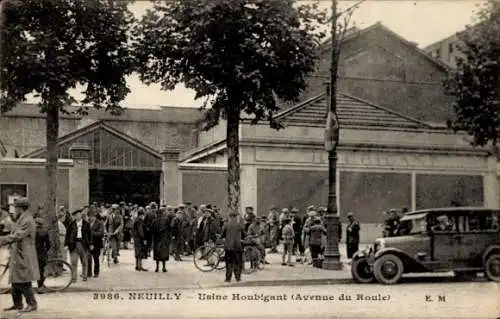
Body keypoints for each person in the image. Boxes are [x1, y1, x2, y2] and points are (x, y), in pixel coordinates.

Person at [0, 198, 39, 313]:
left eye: (15, 207)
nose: (14, 209)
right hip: (18, 253)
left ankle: (32, 304)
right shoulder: (21, 218)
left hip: (24, 254)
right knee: (15, 280)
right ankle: (18, 304)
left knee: (23, 280)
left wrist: (1, 240)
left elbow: (17, 236)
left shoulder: (27, 220)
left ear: (20, 208)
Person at [66, 208, 91, 282]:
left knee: (84, 261)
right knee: (73, 261)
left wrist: (91, 244)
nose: (77, 216)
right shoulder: (71, 224)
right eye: (76, 215)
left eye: (78, 215)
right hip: (73, 244)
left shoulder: (86, 224)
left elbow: (90, 234)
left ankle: (84, 275)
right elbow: (67, 235)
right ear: (74, 216)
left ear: (81, 215)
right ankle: (74, 278)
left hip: (83, 244)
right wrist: (66, 244)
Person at [221, 212, 245, 283]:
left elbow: (222, 234)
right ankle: (238, 278)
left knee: (229, 263)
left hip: (228, 247)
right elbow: (244, 231)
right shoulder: (239, 225)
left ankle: (228, 278)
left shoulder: (226, 224)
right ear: (236, 216)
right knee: (237, 262)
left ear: (229, 216)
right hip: (237, 246)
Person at [33, 210, 50, 293]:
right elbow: (48, 244)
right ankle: (40, 286)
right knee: (41, 269)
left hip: (32, 252)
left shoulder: (32, 231)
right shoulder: (45, 231)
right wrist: (46, 250)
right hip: (41, 252)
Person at [152, 207, 173, 273]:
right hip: (164, 239)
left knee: (157, 254)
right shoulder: (166, 220)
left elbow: (152, 230)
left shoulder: (154, 221)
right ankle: (164, 267)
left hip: (156, 239)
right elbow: (169, 229)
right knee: (164, 253)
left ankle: (157, 268)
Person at [87, 211, 105, 278]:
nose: (91, 218)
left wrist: (92, 233)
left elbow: (101, 233)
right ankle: (89, 273)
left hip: (97, 243)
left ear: (95, 217)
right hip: (88, 244)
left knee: (96, 258)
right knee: (88, 259)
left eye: (93, 216)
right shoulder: (87, 223)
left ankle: (96, 272)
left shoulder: (100, 223)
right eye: (90, 216)